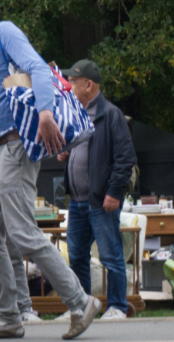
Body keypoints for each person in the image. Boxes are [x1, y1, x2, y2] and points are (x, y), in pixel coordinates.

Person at [0, 0, 99, 340]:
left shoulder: (3, 32)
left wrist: (45, 112)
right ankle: (8, 317)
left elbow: (37, 68)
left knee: (21, 233)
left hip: (12, 146)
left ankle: (80, 302)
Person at [58, 59, 136, 323]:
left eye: (73, 81)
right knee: (77, 257)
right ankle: (80, 307)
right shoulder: (75, 113)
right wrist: (65, 154)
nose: (68, 86)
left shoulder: (111, 114)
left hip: (102, 201)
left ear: (89, 85)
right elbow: (80, 151)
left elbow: (125, 158)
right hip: (77, 201)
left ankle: (117, 306)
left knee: (111, 256)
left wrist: (114, 192)